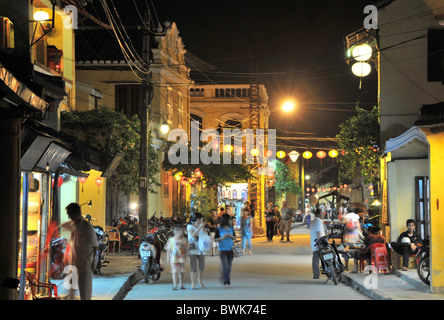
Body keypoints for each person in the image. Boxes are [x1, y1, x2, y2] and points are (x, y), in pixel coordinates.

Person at [62, 203, 98, 300]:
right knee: (71, 290)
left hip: (85, 264)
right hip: (73, 263)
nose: (69, 216)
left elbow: (95, 246)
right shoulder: (74, 225)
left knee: (85, 293)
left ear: (77, 213)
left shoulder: (87, 227)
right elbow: (61, 226)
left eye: (70, 214)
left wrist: (94, 263)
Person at [215, 213, 237, 288]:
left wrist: (231, 236)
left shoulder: (231, 228)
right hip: (223, 250)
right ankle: (226, 282)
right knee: (226, 266)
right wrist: (223, 237)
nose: (231, 220)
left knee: (229, 267)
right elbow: (215, 239)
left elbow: (235, 237)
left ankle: (224, 278)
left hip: (231, 249)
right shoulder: (219, 229)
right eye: (230, 219)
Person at [187, 212, 207, 289]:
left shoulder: (202, 226)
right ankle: (193, 284)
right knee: (193, 266)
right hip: (193, 247)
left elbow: (203, 235)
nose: (202, 220)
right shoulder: (189, 226)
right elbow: (193, 235)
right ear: (198, 219)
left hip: (201, 247)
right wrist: (199, 228)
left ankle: (200, 280)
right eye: (201, 218)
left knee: (202, 265)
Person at [165, 226, 188, 290]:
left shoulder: (183, 239)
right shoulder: (171, 240)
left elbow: (186, 249)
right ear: (174, 232)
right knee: (174, 271)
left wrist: (185, 256)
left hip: (181, 257)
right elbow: (168, 250)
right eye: (178, 231)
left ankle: (181, 284)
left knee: (182, 271)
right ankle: (175, 285)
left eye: (180, 231)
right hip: (174, 257)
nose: (179, 232)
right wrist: (168, 258)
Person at [341, 207, 363, 272]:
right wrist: (360, 231)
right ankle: (356, 267)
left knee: (346, 250)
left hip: (347, 236)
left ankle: (346, 266)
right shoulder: (356, 216)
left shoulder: (346, 216)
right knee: (355, 251)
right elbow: (358, 225)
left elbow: (343, 223)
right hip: (355, 236)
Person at [310, 208, 325, 279]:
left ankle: (316, 273)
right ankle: (316, 274)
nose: (323, 214)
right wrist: (322, 242)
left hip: (315, 242)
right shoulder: (318, 221)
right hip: (318, 242)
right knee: (317, 257)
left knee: (316, 257)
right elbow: (319, 232)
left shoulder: (314, 221)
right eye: (322, 213)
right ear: (318, 214)